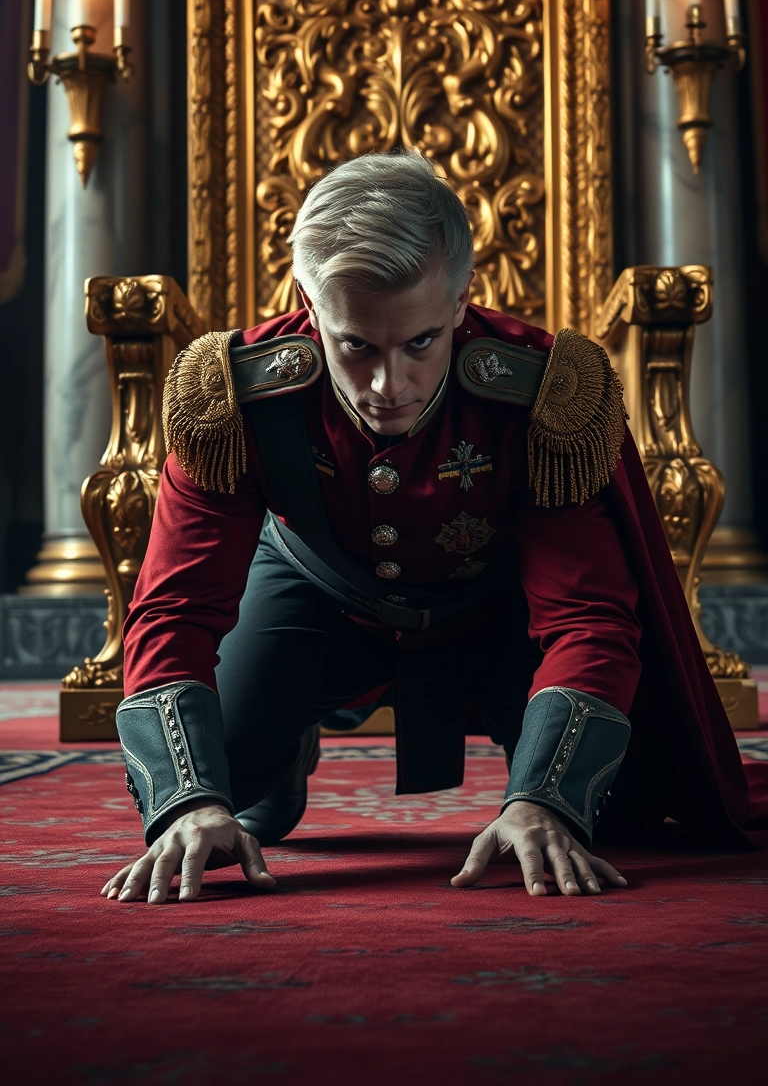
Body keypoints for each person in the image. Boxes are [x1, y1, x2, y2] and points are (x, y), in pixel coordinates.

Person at [102, 150, 766, 908]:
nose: (391, 386)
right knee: (228, 784)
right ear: (308, 306)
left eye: (420, 341)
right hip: (312, 597)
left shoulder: (546, 393)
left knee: (614, 807)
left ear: (459, 302)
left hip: (498, 610)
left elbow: (588, 616)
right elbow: (173, 610)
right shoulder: (231, 395)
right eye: (356, 345)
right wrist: (190, 804)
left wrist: (543, 801)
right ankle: (279, 754)